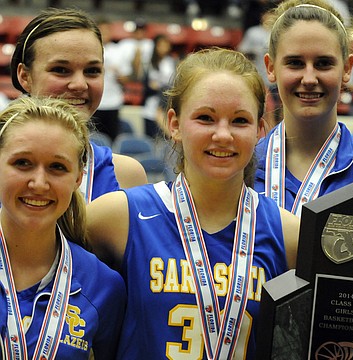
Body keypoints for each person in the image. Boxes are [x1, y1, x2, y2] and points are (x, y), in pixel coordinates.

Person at [86, 48, 300, 359]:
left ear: (259, 131)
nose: (222, 134)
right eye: (205, 118)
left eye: (240, 120)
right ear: (174, 124)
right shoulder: (117, 217)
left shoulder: (289, 233)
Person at [0, 97, 125, 359]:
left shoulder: (103, 285)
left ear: (78, 177)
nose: (39, 183)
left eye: (57, 167)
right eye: (22, 163)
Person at [257, 0, 353, 216]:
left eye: (323, 63)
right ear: (271, 68)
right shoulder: (243, 167)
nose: (309, 78)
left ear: (347, 68)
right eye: (295, 63)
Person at [10, 8, 147, 200]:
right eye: (60, 69)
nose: (80, 84)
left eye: (92, 71)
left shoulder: (126, 176)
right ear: (25, 76)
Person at [142, 34, 177, 139]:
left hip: (165, 107)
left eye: (166, 44)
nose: (164, 47)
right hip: (150, 108)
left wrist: (160, 87)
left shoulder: (170, 62)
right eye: (161, 45)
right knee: (151, 139)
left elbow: (172, 86)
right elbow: (147, 86)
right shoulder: (149, 63)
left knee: (165, 142)